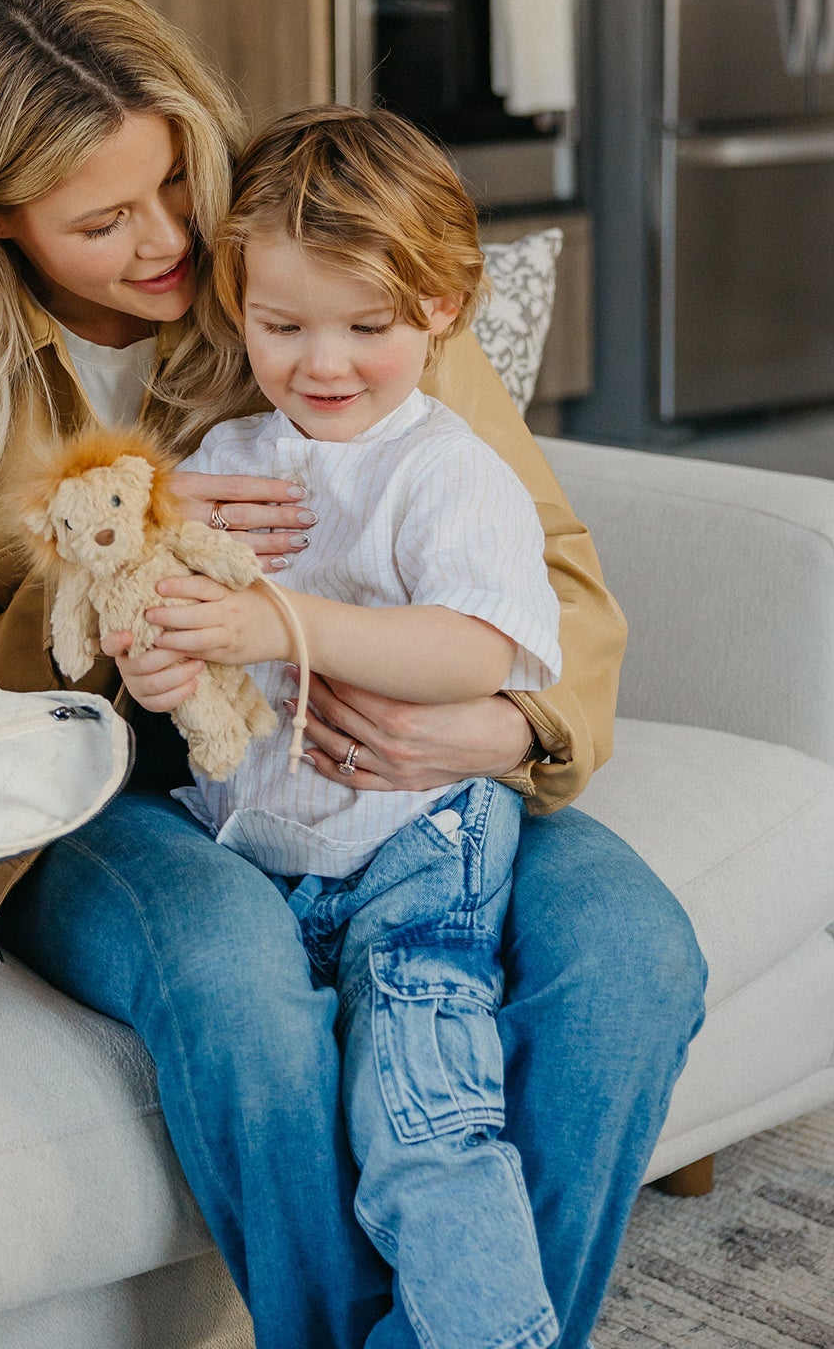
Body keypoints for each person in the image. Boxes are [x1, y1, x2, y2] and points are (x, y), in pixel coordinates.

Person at [0, 0, 706, 1349]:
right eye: (105, 221)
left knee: (631, 955)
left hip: (404, 766)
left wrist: (506, 733)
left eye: (176, 181)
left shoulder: (326, 268)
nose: (173, 239)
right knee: (238, 983)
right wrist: (103, 564)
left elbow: (557, 582)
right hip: (114, 799)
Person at [157, 104, 563, 1349]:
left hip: (417, 851)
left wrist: (283, 626)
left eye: (366, 326)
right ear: (237, 305)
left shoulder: (446, 470)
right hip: (266, 853)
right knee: (307, 1091)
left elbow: (479, 647)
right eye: (283, 325)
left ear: (442, 306)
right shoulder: (230, 449)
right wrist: (167, 653)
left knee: (425, 1128)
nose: (323, 362)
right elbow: (201, 689)